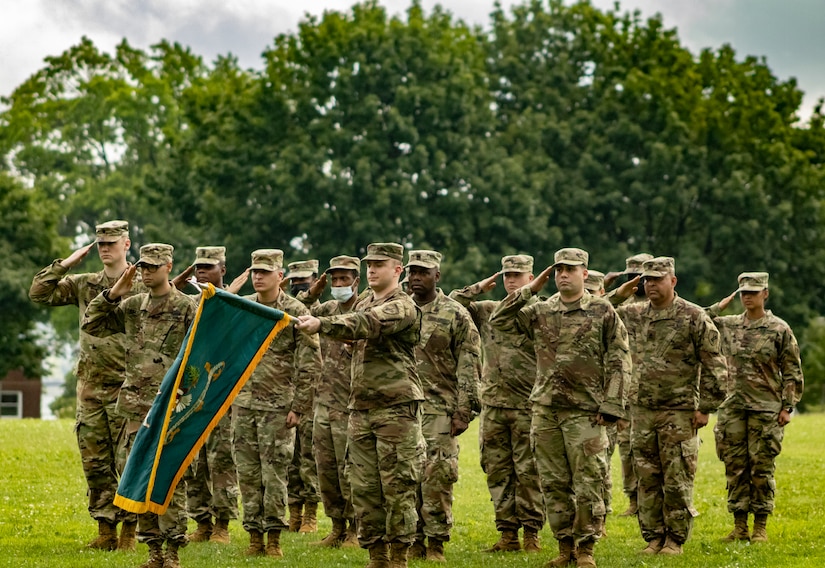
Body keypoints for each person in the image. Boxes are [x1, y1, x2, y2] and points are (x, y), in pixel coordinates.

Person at [490, 248, 631, 568]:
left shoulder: (602, 311)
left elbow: (620, 360)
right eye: (558, 270)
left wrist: (612, 404)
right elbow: (500, 319)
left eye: (571, 269)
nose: (563, 275)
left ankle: (585, 550)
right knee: (553, 483)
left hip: (586, 411)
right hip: (545, 410)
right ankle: (565, 546)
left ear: (585, 272)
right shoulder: (541, 310)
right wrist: (531, 289)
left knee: (588, 481)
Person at [295, 242, 424, 568]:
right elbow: (354, 320)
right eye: (370, 264)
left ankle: (398, 558)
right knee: (364, 488)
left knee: (397, 488)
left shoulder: (403, 305)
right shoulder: (365, 300)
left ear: (398, 269)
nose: (373, 269)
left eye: (380, 264)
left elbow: (367, 323)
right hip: (360, 408)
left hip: (396, 409)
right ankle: (376, 556)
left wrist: (324, 325)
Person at [82, 243, 197, 568]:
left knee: (169, 477)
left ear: (169, 267)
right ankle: (153, 552)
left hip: (172, 407)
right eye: (142, 267)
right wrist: (114, 293)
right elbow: (92, 323)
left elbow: (200, 355)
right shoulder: (132, 306)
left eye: (153, 267)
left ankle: (172, 551)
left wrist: (186, 393)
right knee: (140, 477)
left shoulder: (187, 307)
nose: (146, 273)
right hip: (135, 409)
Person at [29, 220, 141, 552]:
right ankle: (106, 531)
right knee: (95, 463)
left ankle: (130, 533)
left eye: (112, 243)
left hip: (128, 388)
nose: (106, 248)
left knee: (129, 461)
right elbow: (39, 293)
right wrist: (65, 264)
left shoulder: (141, 285)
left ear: (126, 243)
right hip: (91, 389)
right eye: (101, 244)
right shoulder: (85, 284)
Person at [611, 256, 728, 555]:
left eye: (656, 279)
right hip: (642, 411)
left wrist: (706, 406)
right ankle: (653, 538)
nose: (650, 285)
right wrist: (619, 293)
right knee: (647, 479)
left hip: (679, 411)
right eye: (646, 280)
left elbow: (714, 363)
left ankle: (674, 539)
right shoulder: (634, 314)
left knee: (677, 478)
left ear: (672, 281)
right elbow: (599, 312)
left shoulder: (693, 316)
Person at [449, 255, 545, 553]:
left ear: (532, 277)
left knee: (529, 472)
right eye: (506, 275)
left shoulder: (542, 311)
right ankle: (507, 533)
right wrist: (477, 288)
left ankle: (531, 534)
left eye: (518, 274)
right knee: (497, 470)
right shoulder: (489, 310)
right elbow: (453, 305)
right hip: (493, 404)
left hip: (528, 405)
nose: (511, 280)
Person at [230, 249, 322, 558]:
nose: (258, 277)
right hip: (243, 405)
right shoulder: (245, 309)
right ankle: (254, 537)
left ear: (279, 277)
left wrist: (300, 406)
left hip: (279, 407)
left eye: (265, 272)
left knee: (275, 475)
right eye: (255, 271)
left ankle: (273, 540)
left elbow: (311, 363)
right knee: (248, 474)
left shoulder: (295, 312)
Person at [708, 272, 803, 543]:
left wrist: (788, 406)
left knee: (761, 468)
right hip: (733, 407)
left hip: (766, 408)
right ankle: (739, 526)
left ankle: (760, 526)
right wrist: (719, 306)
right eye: (743, 293)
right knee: (735, 467)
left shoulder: (779, 329)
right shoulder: (728, 325)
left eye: (753, 291)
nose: (748, 297)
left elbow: (792, 370)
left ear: (765, 294)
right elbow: (697, 318)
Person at [405, 250, 481, 562]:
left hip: (440, 408)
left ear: (438, 276)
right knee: (405, 478)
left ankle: (435, 542)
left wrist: (465, 409)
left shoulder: (455, 313)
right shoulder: (399, 309)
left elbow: (469, 362)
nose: (415, 278)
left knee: (436, 478)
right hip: (403, 409)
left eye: (423, 272)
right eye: (412, 272)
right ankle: (411, 539)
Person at [174, 246, 239, 544]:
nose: (201, 271)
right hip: (191, 390)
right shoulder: (188, 304)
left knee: (221, 459)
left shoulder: (237, 305)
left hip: (221, 390)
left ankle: (222, 524)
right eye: (198, 266)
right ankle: (201, 520)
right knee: (192, 458)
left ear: (223, 270)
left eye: (209, 266)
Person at [299, 255, 362, 548]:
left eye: (344, 279)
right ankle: (336, 526)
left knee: (350, 471)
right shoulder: (327, 308)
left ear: (356, 281)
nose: (338, 285)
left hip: (352, 404)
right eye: (334, 280)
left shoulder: (365, 310)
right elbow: (301, 308)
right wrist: (315, 288)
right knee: (325, 470)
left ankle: (354, 529)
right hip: (323, 402)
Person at [605, 253, 652, 518]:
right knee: (627, 447)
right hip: (625, 388)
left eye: (642, 276)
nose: (638, 281)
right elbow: (593, 309)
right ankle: (633, 499)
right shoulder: (620, 306)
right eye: (632, 275)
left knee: (651, 448)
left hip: (654, 389)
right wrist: (610, 288)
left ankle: (652, 499)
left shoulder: (660, 304)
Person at [284, 258, 322, 533]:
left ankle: (310, 514)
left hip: (317, 396)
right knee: (290, 459)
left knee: (310, 457)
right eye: (294, 280)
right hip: (288, 392)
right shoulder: (287, 312)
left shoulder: (323, 312)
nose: (300, 284)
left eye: (305, 279)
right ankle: (293, 512)